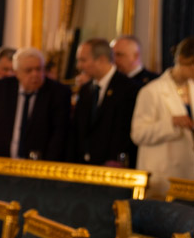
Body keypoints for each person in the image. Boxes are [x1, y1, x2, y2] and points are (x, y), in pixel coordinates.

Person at [0, 47, 71, 160]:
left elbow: (59, 135)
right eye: (28, 70)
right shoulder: (1, 89)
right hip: (2, 161)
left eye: (39, 69)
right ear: (16, 72)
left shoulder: (58, 92)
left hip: (40, 163)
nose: (35, 74)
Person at [131, 36, 194, 197]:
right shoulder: (151, 91)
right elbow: (138, 134)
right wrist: (172, 123)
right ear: (182, 60)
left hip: (188, 173)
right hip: (163, 175)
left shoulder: (192, 87)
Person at [69, 38, 138, 166]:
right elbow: (78, 130)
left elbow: (126, 130)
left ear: (101, 60)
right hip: (84, 165)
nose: (79, 66)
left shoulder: (128, 88)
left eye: (83, 60)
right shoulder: (85, 90)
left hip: (112, 166)